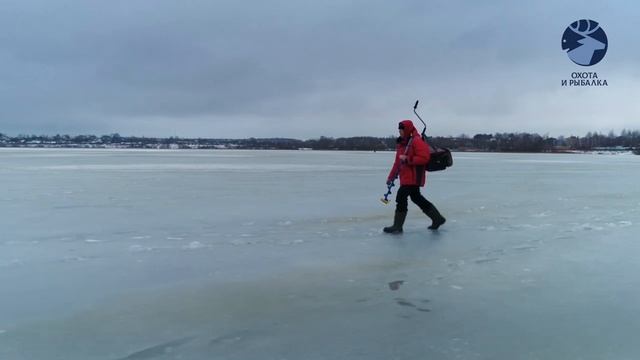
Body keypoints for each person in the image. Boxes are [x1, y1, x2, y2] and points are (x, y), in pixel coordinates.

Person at [383, 120, 446, 233]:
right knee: (416, 198)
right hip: (405, 177)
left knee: (401, 197)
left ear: (406, 130)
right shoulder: (402, 143)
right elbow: (397, 163)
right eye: (399, 130)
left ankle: (397, 226)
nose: (400, 132)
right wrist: (391, 177)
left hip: (414, 177)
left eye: (401, 130)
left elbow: (424, 158)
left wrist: (408, 159)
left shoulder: (416, 141)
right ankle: (437, 218)